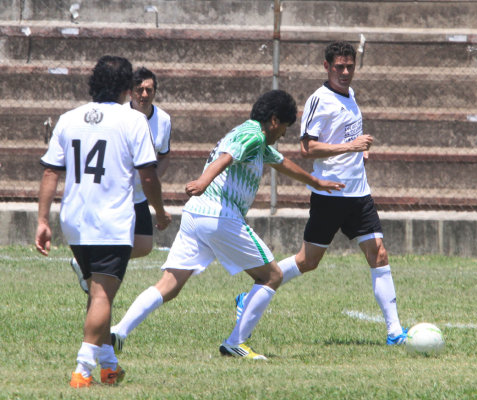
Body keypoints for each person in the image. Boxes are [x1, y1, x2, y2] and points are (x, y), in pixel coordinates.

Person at [109, 90, 344, 360]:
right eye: (285, 128)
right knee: (272, 276)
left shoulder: (254, 138)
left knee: (170, 284)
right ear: (274, 121)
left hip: (195, 215)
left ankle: (120, 331)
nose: (284, 135)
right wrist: (202, 181)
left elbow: (282, 163)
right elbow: (226, 158)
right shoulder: (253, 134)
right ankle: (237, 341)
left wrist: (317, 183)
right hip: (219, 216)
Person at [235, 41, 407, 346]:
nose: (344, 72)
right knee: (308, 261)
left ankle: (394, 331)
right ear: (326, 67)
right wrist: (350, 147)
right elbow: (307, 148)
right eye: (338, 66)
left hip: (358, 192)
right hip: (330, 196)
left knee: (378, 253)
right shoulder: (320, 99)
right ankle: (249, 296)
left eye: (349, 66)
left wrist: (358, 153)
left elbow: (345, 136)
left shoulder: (351, 95)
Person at [35, 55, 172, 388]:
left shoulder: (69, 119)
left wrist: (42, 220)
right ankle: (83, 370)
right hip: (111, 219)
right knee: (101, 297)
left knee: (98, 292)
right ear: (127, 87)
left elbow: (52, 170)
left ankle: (109, 366)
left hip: (75, 220)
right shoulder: (132, 121)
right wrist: (160, 211)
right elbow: (148, 175)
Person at [70, 66, 172, 293]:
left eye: (149, 90)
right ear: (130, 92)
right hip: (116, 192)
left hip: (140, 194)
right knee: (115, 248)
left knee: (144, 245)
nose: (144, 95)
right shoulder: (121, 117)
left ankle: (85, 263)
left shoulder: (164, 120)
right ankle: (96, 270)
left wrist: (154, 175)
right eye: (139, 90)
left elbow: (164, 155)